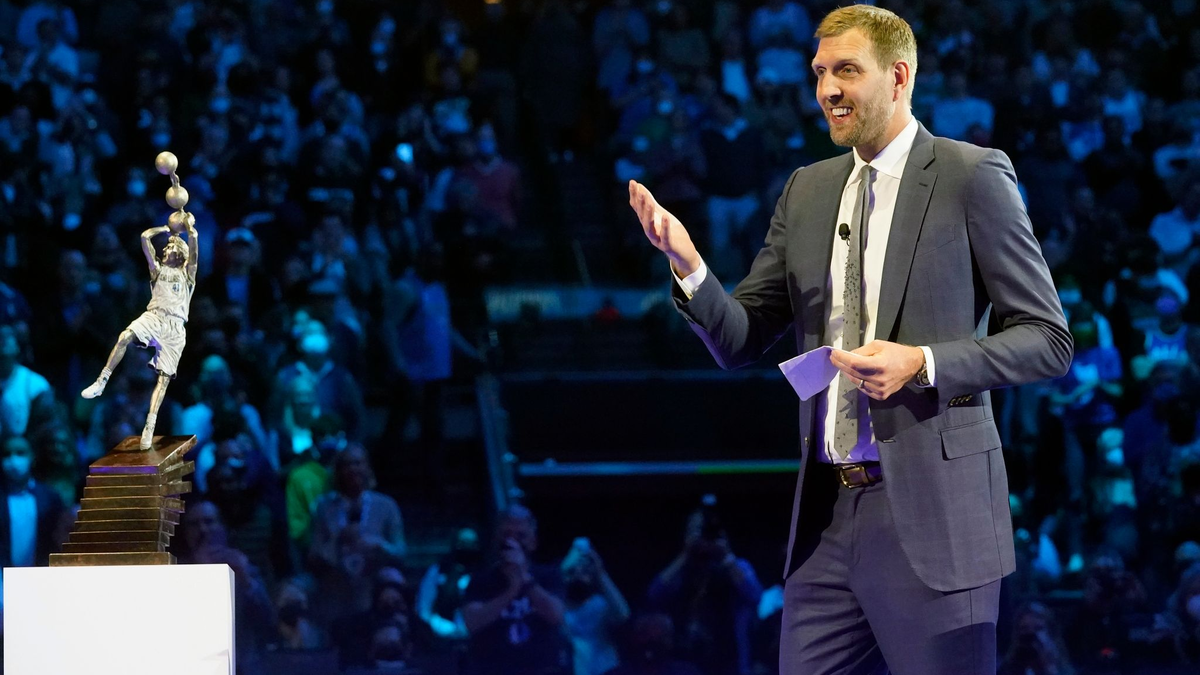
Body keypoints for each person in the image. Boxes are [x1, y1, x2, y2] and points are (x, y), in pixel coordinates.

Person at [627, 6, 1072, 674]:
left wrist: (922, 362)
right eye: (819, 72)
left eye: (846, 71)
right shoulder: (807, 190)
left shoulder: (970, 175)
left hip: (935, 517)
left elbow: (1047, 338)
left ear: (898, 77)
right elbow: (741, 339)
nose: (827, 89)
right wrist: (692, 269)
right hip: (828, 520)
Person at [80, 209, 199, 449]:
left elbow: (195, 249)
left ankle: (149, 426)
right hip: (154, 316)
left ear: (181, 253)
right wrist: (166, 230)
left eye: (171, 248)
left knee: (164, 379)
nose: (166, 250)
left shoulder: (188, 275)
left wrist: (189, 228)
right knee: (125, 336)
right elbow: (145, 238)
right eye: (165, 248)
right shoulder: (156, 271)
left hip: (175, 325)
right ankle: (102, 380)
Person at [647, 497, 761, 675]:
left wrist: (726, 556)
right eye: (696, 530)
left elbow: (754, 595)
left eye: (706, 531)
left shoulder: (737, 566)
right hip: (682, 663)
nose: (702, 537)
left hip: (728, 664)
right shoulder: (679, 569)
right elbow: (654, 595)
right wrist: (685, 555)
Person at [460, 504, 571, 675]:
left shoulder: (549, 575)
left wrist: (524, 578)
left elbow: (555, 615)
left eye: (520, 536)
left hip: (542, 669)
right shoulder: (481, 579)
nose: (511, 542)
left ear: (533, 542)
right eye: (506, 535)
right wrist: (511, 590)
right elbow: (472, 622)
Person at [0, 435, 65, 567]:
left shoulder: (49, 497)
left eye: (20, 453)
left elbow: (58, 539)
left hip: (41, 576)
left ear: (32, 456)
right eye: (7, 454)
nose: (13, 460)